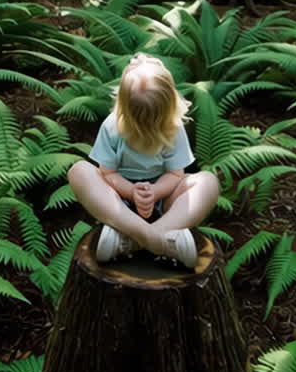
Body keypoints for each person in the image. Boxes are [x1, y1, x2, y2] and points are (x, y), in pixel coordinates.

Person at [67, 52, 220, 269]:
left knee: (207, 182)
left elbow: (176, 175)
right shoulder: (113, 127)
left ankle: (133, 240)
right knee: (79, 171)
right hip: (119, 202)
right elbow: (107, 173)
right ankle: (160, 239)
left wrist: (155, 193)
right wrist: (131, 192)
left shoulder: (173, 129)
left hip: (164, 203)